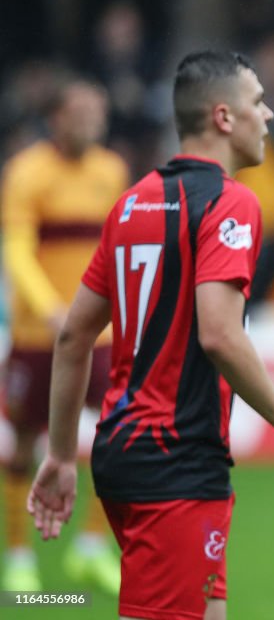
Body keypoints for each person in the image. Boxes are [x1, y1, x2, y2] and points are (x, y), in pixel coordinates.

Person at [27, 50, 274, 620]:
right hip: (176, 460)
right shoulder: (231, 203)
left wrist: (63, 455)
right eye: (258, 102)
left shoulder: (130, 203)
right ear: (223, 118)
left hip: (123, 451)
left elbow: (73, 337)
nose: (270, 116)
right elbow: (220, 334)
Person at [1, 78, 128, 593]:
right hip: (39, 335)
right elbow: (17, 249)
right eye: (82, 111)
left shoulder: (111, 170)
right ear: (56, 117)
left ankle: (92, 547)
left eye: (99, 110)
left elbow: (122, 247)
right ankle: (18, 557)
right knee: (26, 444)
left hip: (99, 335)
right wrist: (50, 310)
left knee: (117, 433)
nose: (93, 120)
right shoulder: (28, 172)